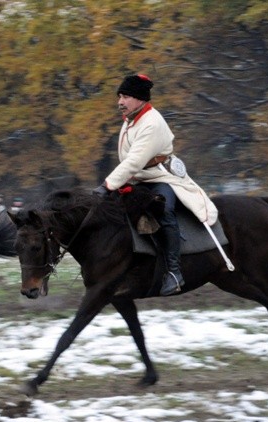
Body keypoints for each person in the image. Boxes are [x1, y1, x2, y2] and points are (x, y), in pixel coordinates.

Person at [93, 74, 218, 296]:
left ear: (140, 98)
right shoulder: (131, 119)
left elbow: (133, 162)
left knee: (163, 211)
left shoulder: (151, 122)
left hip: (162, 178)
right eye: (120, 96)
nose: (120, 102)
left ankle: (174, 272)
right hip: (140, 179)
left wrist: (107, 185)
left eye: (125, 96)